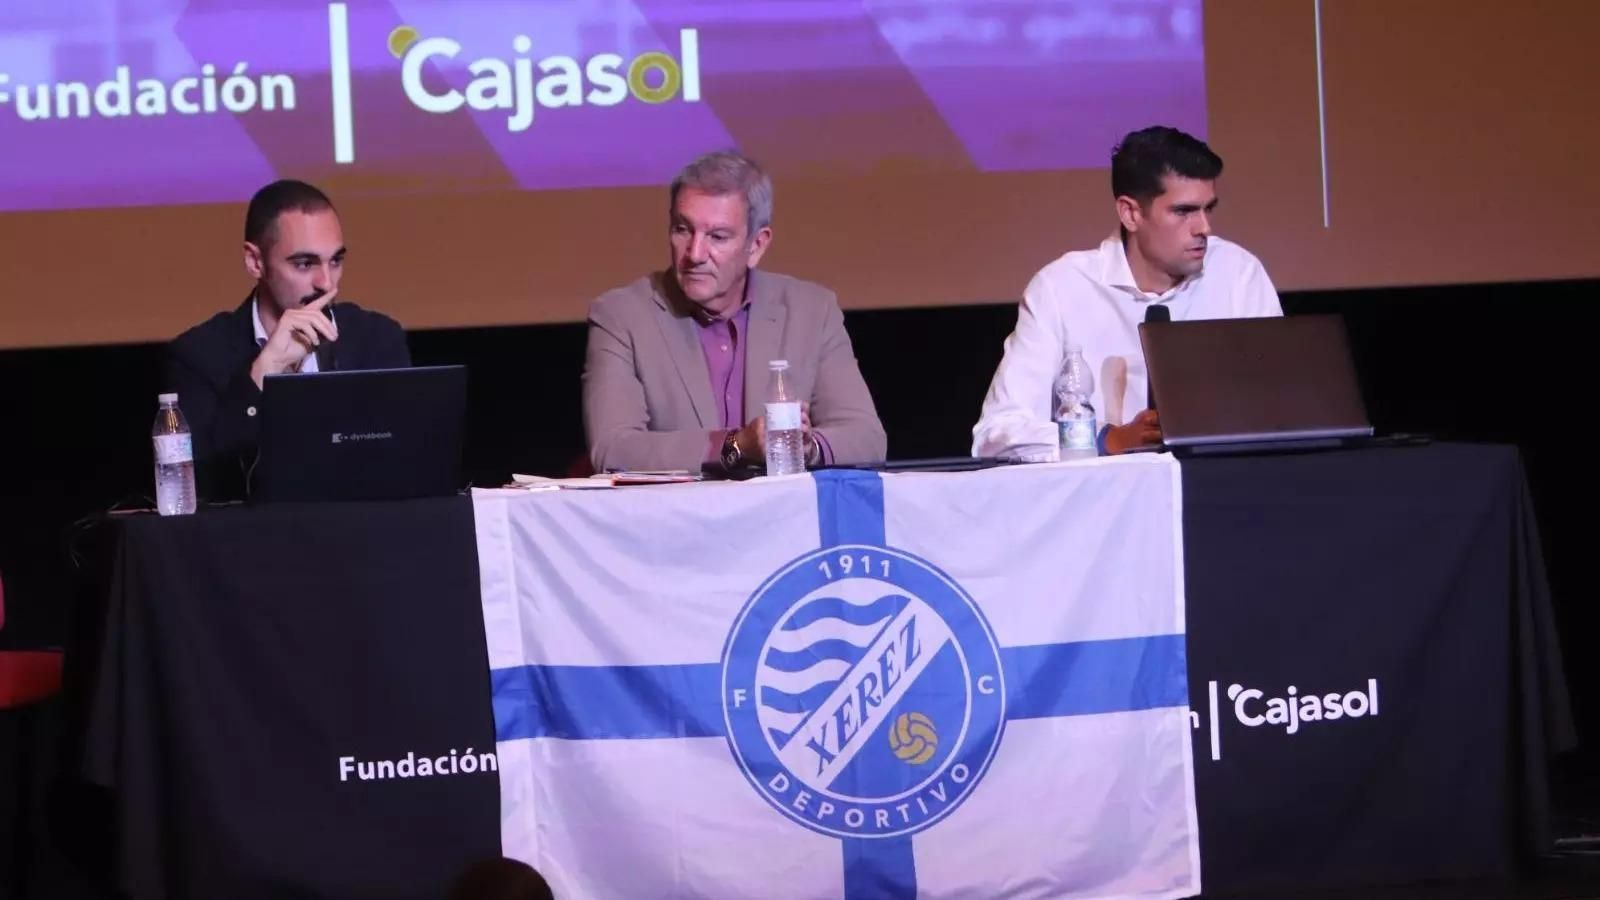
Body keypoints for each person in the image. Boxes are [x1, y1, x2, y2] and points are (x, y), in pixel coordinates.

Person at [971, 126, 1282, 458]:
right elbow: (997, 431)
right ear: (1131, 213)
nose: (1204, 227)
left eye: (1208, 209)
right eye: (1184, 211)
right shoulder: (1061, 288)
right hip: (1104, 497)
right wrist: (1107, 440)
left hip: (1222, 481)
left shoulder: (1238, 273)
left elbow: (1284, 406)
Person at [582, 150, 886, 474]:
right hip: (678, 520)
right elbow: (614, 449)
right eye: (683, 229)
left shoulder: (812, 310)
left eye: (717, 236)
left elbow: (866, 438)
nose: (695, 254)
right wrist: (737, 445)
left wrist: (804, 446)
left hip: (784, 519)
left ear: (756, 246)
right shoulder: (621, 316)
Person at [165, 179, 410, 500]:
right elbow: (194, 489)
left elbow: (405, 469)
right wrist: (263, 372)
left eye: (335, 261)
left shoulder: (377, 339)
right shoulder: (200, 354)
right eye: (305, 264)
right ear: (255, 261)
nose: (326, 283)